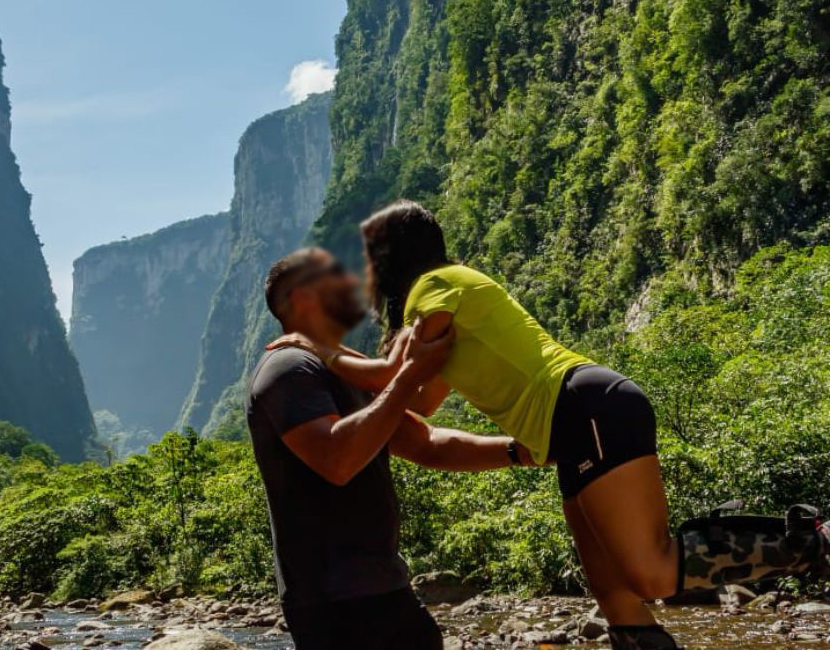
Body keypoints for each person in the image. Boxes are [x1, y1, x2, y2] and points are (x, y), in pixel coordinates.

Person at [270, 200, 830, 650]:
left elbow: (396, 372)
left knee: (651, 574)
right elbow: (423, 405)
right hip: (569, 429)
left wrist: (320, 348)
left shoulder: (438, 284)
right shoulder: (441, 307)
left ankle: (811, 540)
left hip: (588, 406)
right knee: (613, 593)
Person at [247, 247, 539, 650]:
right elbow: (337, 460)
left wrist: (521, 450)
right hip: (330, 598)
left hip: (380, 584)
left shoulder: (344, 370)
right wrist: (409, 376)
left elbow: (426, 444)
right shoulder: (288, 368)